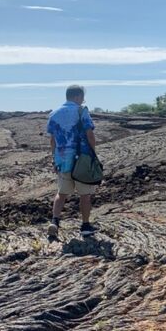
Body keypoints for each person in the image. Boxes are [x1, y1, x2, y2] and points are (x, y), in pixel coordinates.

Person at [46, 85, 99, 238]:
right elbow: (90, 135)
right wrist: (93, 155)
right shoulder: (81, 111)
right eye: (82, 98)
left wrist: (54, 159)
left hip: (63, 160)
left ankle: (55, 221)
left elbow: (52, 140)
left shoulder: (54, 114)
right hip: (82, 159)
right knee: (85, 195)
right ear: (77, 97)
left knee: (61, 193)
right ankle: (85, 225)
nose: (83, 101)